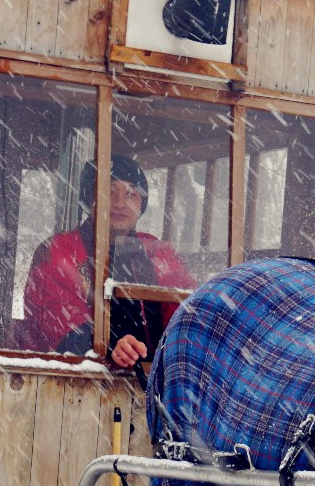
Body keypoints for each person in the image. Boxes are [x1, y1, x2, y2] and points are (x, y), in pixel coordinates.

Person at [14, 153, 193, 367]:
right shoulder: (59, 250)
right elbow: (54, 322)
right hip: (73, 382)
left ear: (141, 203)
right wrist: (108, 345)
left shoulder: (157, 252)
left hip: (155, 384)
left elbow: (188, 311)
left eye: (130, 193)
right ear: (90, 199)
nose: (119, 203)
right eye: (108, 191)